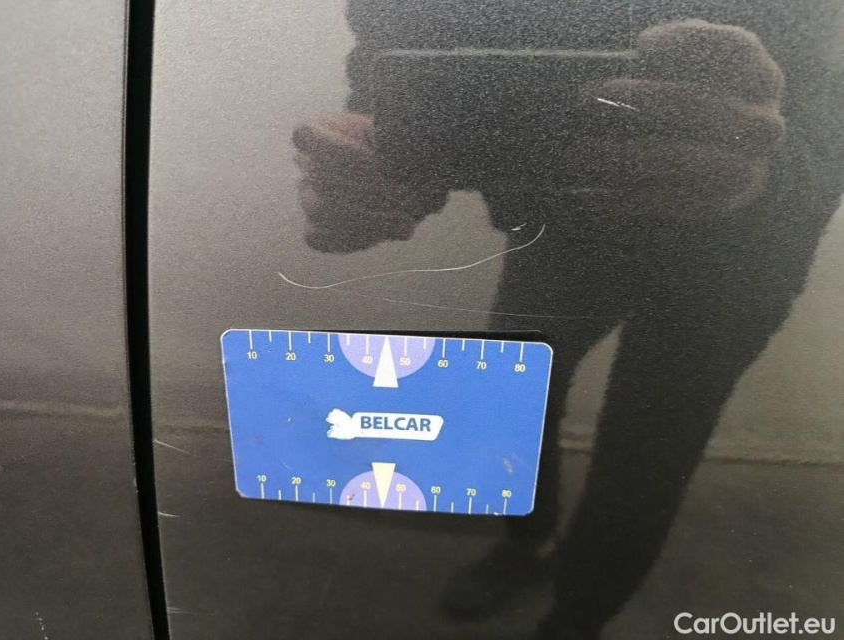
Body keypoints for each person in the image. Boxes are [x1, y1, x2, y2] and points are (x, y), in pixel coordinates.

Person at [292, 2, 844, 638]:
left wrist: (769, 175)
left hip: (736, 260)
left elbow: (827, 111)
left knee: (647, 452)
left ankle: (578, 614)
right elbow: (396, 52)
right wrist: (377, 145)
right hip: (572, 226)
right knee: (528, 407)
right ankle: (536, 555)